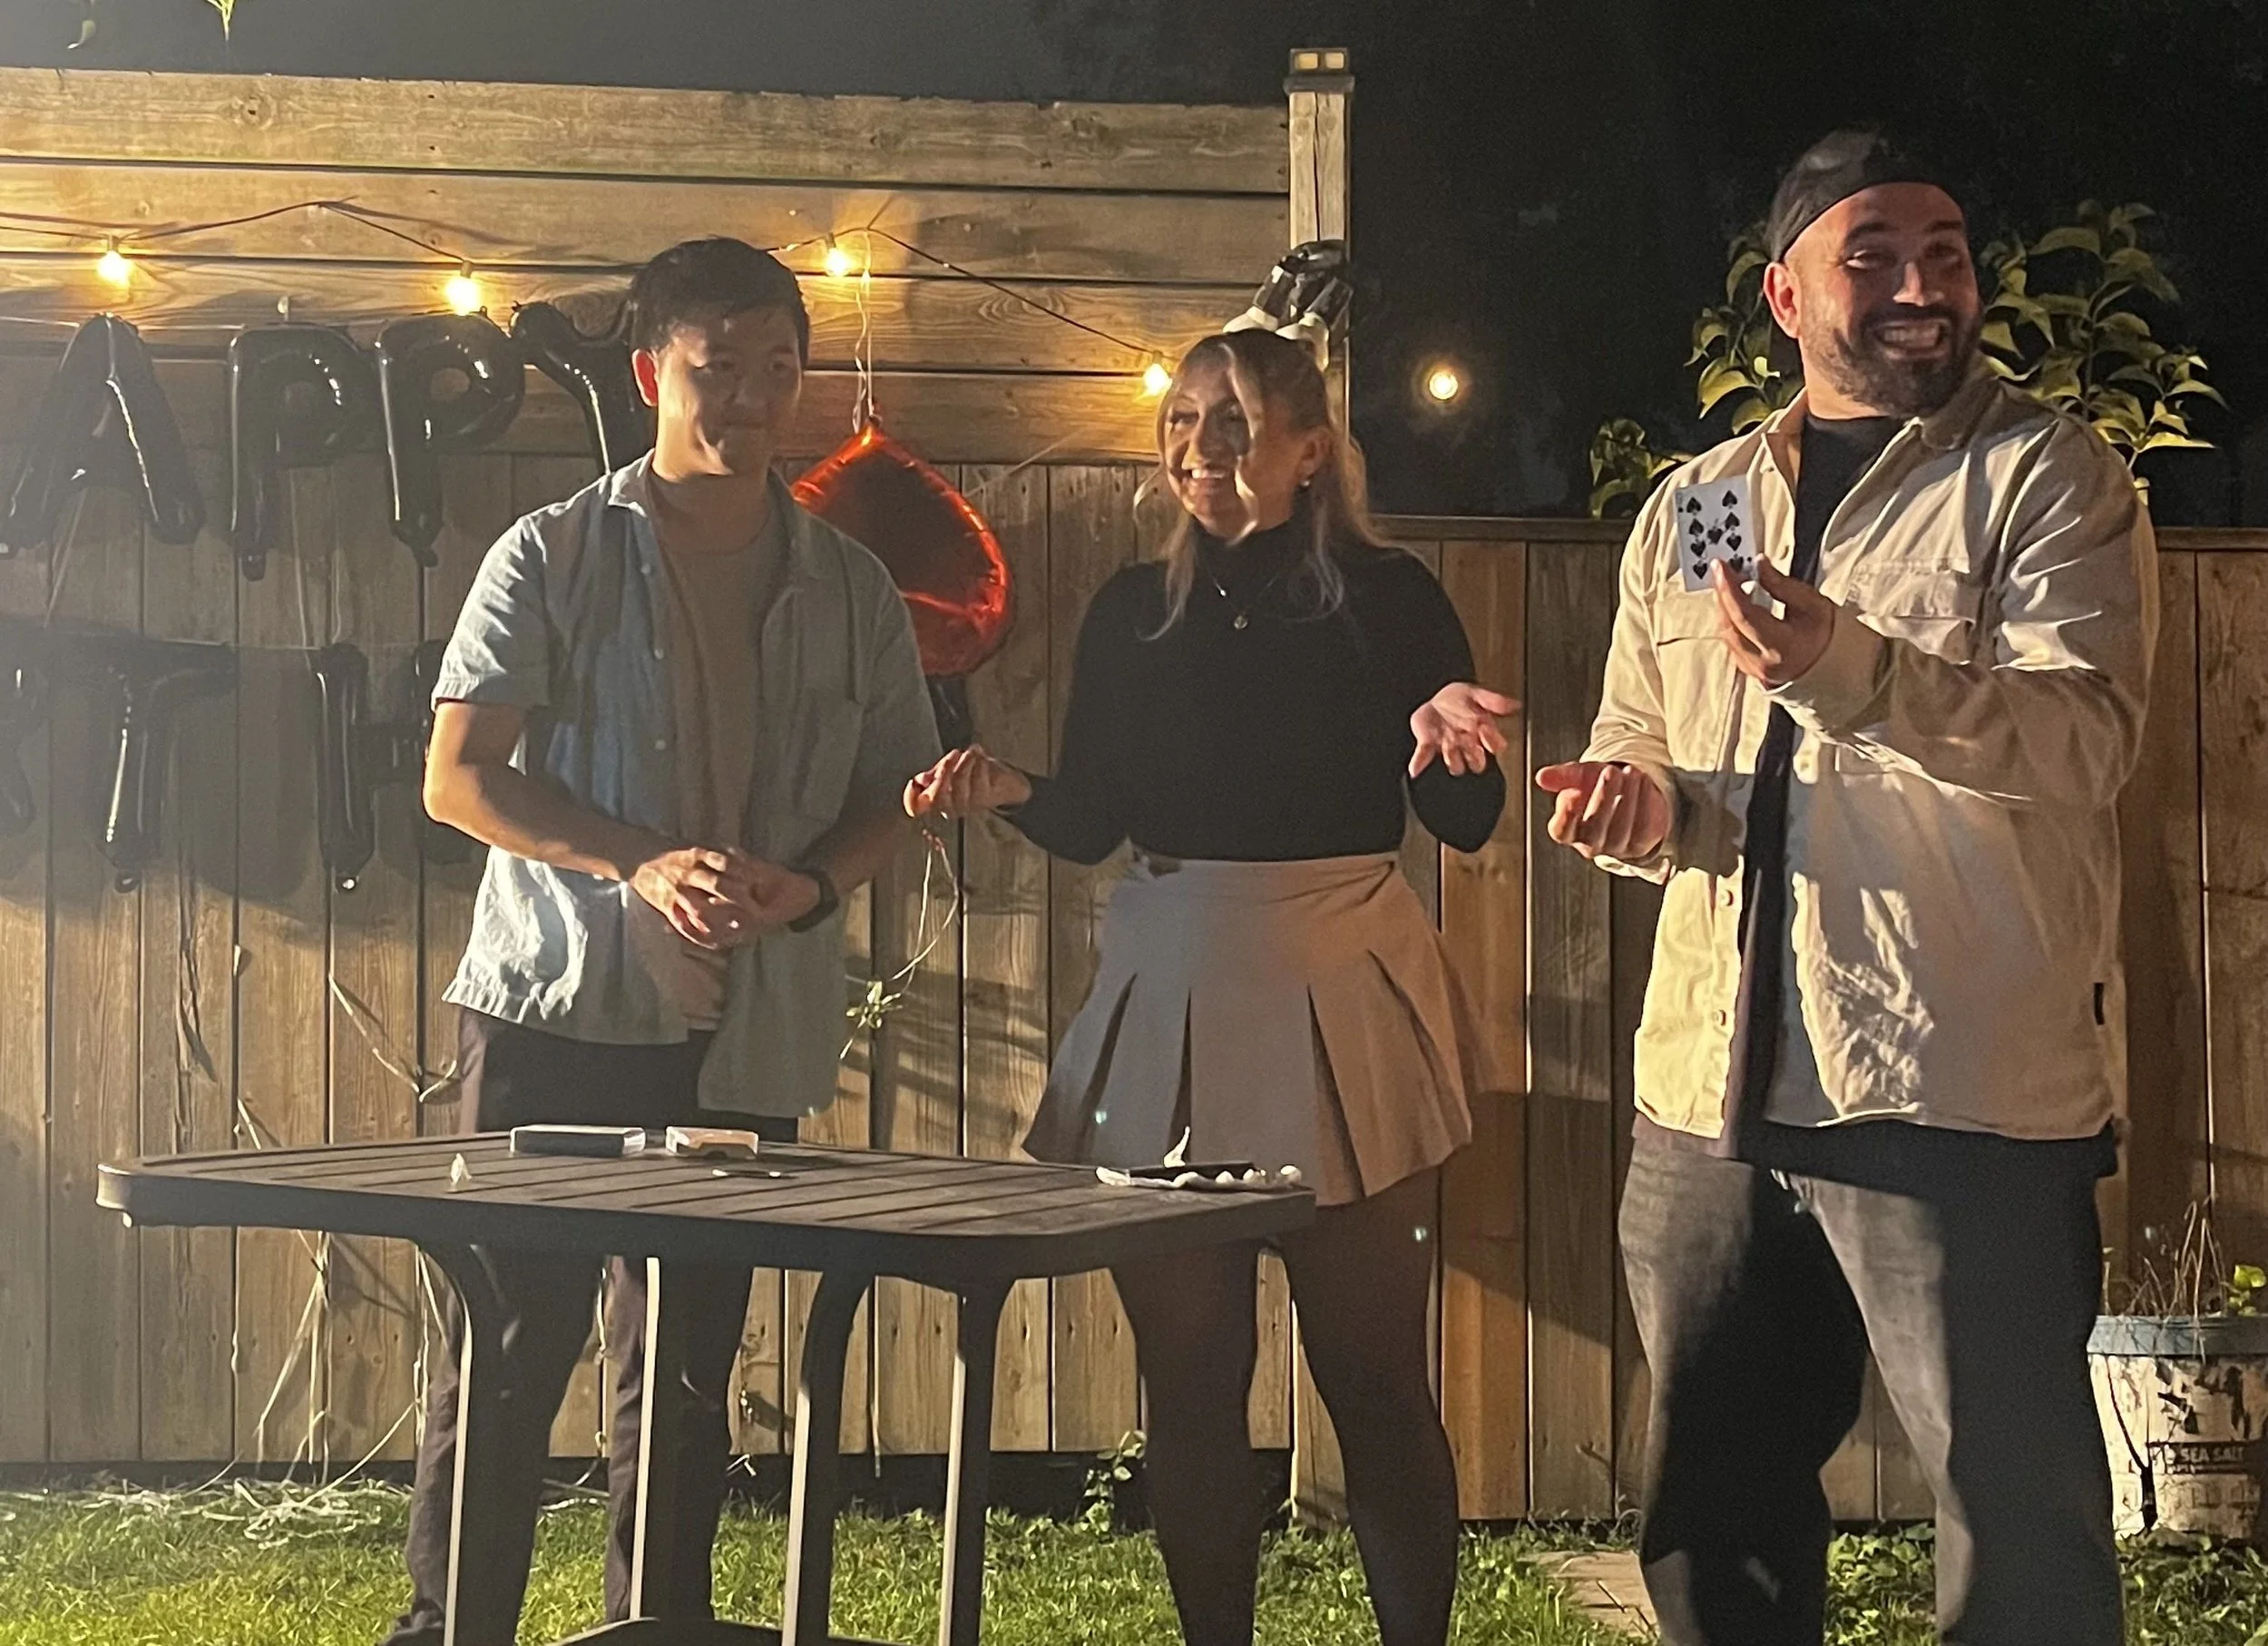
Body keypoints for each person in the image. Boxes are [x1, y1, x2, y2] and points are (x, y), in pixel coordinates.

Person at [1541, 131, 2156, 1646]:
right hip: (1712, 1098)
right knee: (1716, 1516)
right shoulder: (1701, 499)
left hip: (1963, 1090)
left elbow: (2083, 738)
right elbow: (1659, 734)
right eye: (1871, 255)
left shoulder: (2045, 479)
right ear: (1785, 295)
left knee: (2015, 1516)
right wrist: (1638, 803)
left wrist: (1851, 669)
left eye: (1943, 253)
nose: (1920, 285)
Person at [905, 325, 1514, 1646]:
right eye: (1182, 421)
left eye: (1233, 423)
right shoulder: (1136, 608)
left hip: (1341, 976)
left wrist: (1448, 759)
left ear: (1310, 451)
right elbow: (1097, 818)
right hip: (1167, 980)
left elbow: (1465, 822)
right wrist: (1010, 789)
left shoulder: (1394, 595)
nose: (1201, 447)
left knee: (1374, 1383)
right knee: (1188, 1384)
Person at [382, 237, 941, 1644]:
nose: (748, 400)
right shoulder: (553, 550)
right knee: (508, 1352)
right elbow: (458, 776)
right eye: (716, 369)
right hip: (557, 1006)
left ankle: (661, 1625)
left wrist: (809, 894)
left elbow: (897, 796)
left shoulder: (855, 586)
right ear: (650, 374)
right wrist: (638, 862)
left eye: (776, 370)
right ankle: (452, 1629)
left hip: (746, 1018)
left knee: (690, 1368)